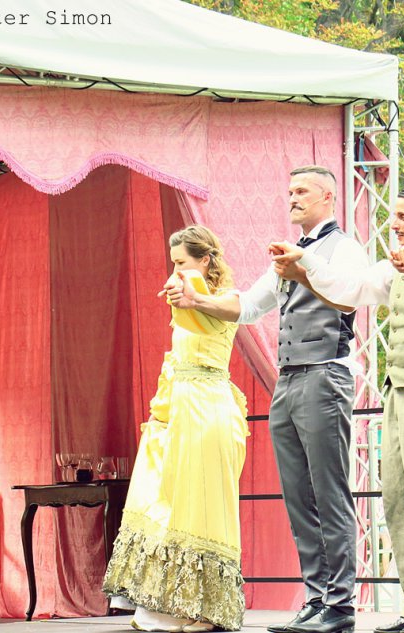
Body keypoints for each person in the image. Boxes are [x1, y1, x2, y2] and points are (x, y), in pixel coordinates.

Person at [165, 166, 367, 633]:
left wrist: (303, 269)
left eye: (302, 191)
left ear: (328, 197)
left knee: (329, 492)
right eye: (290, 190)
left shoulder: (344, 249)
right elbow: (249, 306)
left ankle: (339, 605)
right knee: (298, 495)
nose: (292, 197)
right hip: (289, 379)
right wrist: (197, 301)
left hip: (324, 373)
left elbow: (348, 297)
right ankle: (316, 599)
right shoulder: (289, 253)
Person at [268, 185, 404, 633]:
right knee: (398, 499)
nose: (393, 224)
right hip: (397, 392)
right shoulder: (392, 265)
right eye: (393, 216)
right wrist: (306, 263)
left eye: (402, 217)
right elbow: (350, 288)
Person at [103, 225, 249, 632]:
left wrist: (189, 295)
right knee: (167, 505)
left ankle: (209, 610)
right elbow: (176, 357)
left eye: (182, 263)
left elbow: (209, 314)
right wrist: (161, 415)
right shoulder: (184, 297)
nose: (176, 273)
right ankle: (170, 607)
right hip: (181, 408)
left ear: (205, 260)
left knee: (203, 508)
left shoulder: (227, 300)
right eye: (173, 264)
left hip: (208, 410)